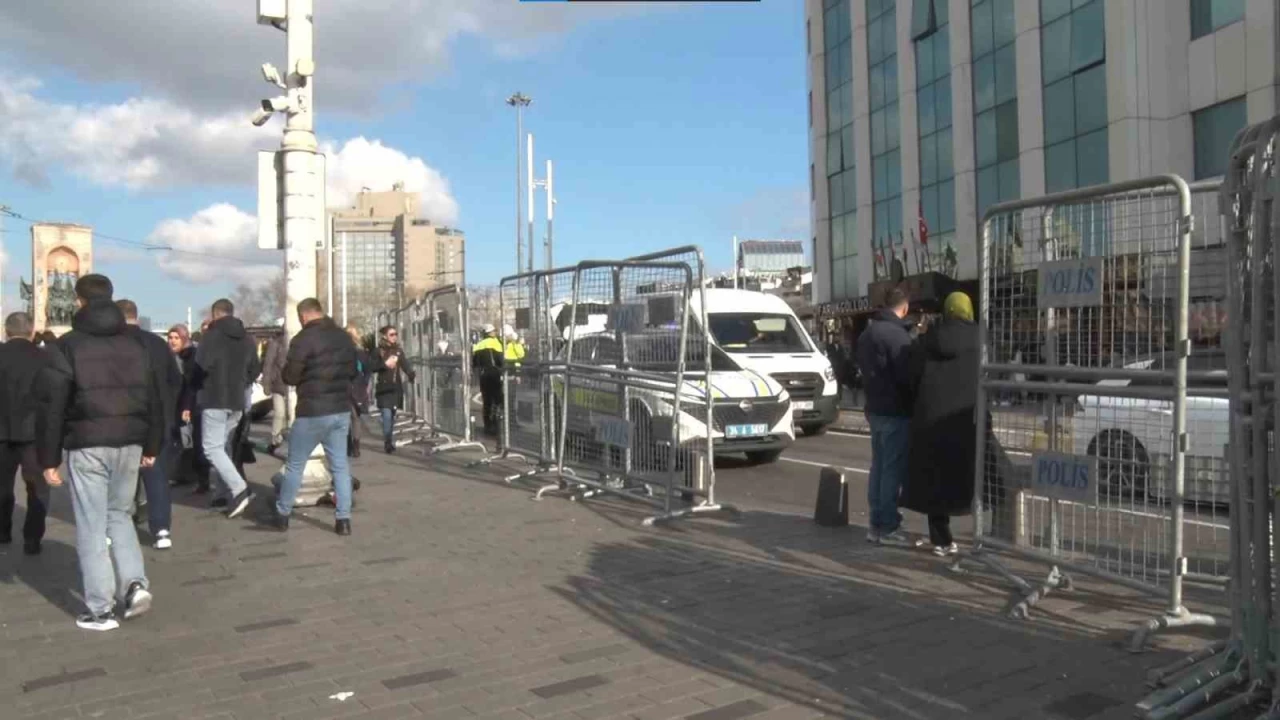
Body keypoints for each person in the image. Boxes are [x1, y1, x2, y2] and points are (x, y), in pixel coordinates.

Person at [38, 274, 163, 631]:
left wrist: (49, 459)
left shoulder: (67, 346)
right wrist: (152, 445)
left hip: (88, 443)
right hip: (131, 441)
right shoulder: (138, 345)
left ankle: (100, 608)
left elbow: (54, 406)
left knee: (92, 525)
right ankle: (135, 584)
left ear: (79, 301)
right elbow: (155, 398)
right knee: (120, 515)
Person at [900, 292, 981, 557]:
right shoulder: (981, 338)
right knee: (975, 473)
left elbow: (910, 376)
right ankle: (982, 537)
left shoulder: (928, 340)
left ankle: (942, 539)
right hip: (965, 417)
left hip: (931, 417)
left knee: (935, 478)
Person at [271, 298, 357, 535]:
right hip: (340, 410)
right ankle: (343, 520)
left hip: (312, 411)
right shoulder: (342, 337)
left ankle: (282, 514)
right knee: (339, 466)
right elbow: (352, 370)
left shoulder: (303, 339)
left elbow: (290, 376)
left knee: (295, 465)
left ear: (304, 316)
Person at [117, 300, 182, 550]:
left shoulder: (113, 344)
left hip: (125, 421)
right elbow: (175, 380)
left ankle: (120, 525)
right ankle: (162, 529)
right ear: (136, 316)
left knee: (122, 478)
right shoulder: (157, 344)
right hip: (159, 421)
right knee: (157, 477)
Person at [854, 287, 915, 545]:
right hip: (895, 409)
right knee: (891, 469)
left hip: (875, 408)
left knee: (878, 466)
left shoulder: (868, 334)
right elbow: (907, 375)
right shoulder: (898, 336)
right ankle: (888, 526)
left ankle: (875, 523)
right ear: (905, 307)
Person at [192, 299, 261, 519]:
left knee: (212, 448)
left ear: (215, 315)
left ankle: (239, 489)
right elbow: (254, 369)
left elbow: (198, 368)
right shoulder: (247, 339)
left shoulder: (211, 337)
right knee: (223, 447)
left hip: (214, 398)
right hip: (237, 400)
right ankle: (223, 495)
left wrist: (197, 387)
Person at [0, 312, 53, 555]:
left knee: (2, 486)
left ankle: (2, 531)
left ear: (6, 331)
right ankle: (32, 538)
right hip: (34, 433)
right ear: (31, 331)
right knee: (37, 488)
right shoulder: (45, 358)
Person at [374, 325, 413, 453]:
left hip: (395, 388)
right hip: (384, 388)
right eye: (391, 334)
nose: (394, 337)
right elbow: (372, 366)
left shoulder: (398, 351)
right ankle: (388, 442)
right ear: (385, 336)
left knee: (392, 416)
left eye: (395, 334)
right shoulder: (379, 351)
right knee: (386, 415)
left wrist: (410, 373)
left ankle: (389, 438)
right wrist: (384, 365)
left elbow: (405, 364)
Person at [261, 323, 289, 457]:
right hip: (279, 384)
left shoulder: (298, 342)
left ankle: (288, 440)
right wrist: (266, 383)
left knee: (292, 414)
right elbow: (268, 364)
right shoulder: (276, 343)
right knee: (280, 413)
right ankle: (275, 440)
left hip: (293, 386)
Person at [472, 324, 504, 436]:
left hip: (483, 375)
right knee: (498, 400)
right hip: (494, 374)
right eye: (493, 331)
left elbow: (474, 363)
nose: (495, 333)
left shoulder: (479, 345)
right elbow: (501, 360)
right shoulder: (496, 343)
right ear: (490, 333)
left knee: (487, 402)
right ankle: (496, 425)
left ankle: (487, 425)